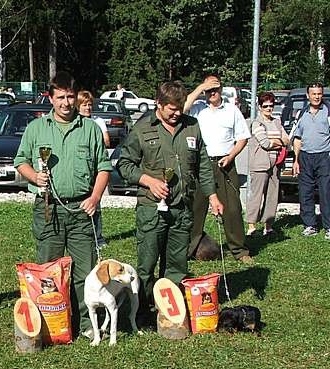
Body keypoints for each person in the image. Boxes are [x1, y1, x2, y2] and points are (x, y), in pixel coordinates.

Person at [14, 72, 111, 339]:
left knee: (85, 272)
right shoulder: (37, 128)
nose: (66, 103)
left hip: (82, 211)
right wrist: (34, 176)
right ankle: (51, 322)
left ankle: (86, 323)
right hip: (48, 211)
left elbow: (104, 168)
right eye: (60, 97)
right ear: (50, 98)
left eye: (70, 97)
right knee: (49, 271)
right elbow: (20, 160)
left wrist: (95, 197)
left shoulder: (89, 128)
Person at [118, 81, 224, 319]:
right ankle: (142, 312)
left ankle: (170, 309)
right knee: (146, 265)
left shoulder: (192, 126)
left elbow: (203, 164)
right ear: (159, 104)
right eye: (171, 109)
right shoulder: (142, 128)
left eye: (179, 108)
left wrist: (213, 195)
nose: (177, 114)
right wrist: (148, 180)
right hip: (151, 209)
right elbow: (124, 164)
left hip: (182, 209)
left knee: (176, 264)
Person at [184, 73, 253, 264]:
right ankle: (189, 249)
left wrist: (231, 156)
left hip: (225, 164)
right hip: (200, 164)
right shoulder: (198, 109)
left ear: (221, 89)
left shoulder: (232, 110)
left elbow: (242, 138)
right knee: (195, 209)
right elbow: (182, 107)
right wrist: (199, 88)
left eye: (215, 89)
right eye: (208, 90)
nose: (211, 93)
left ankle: (239, 250)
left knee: (232, 209)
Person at [246, 92, 289, 236]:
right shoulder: (257, 123)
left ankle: (268, 226)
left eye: (271, 106)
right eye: (265, 106)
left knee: (272, 196)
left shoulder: (277, 121)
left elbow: (286, 140)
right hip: (259, 164)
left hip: (275, 164)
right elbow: (265, 143)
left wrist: (276, 142)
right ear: (259, 107)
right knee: (256, 196)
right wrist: (278, 142)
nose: (269, 109)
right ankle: (251, 226)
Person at [292, 82, 330, 238]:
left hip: (324, 156)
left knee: (326, 192)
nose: (317, 96)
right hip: (305, 157)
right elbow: (297, 138)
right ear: (308, 96)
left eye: (319, 93)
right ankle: (310, 225)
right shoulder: (302, 113)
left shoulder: (328, 112)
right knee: (305, 192)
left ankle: (328, 227)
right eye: (313, 94)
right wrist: (296, 159)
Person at [77, 90, 110, 248]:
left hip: (96, 165)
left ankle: (98, 237)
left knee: (95, 201)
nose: (88, 108)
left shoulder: (98, 121)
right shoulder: (75, 124)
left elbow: (107, 141)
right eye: (84, 105)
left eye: (90, 105)